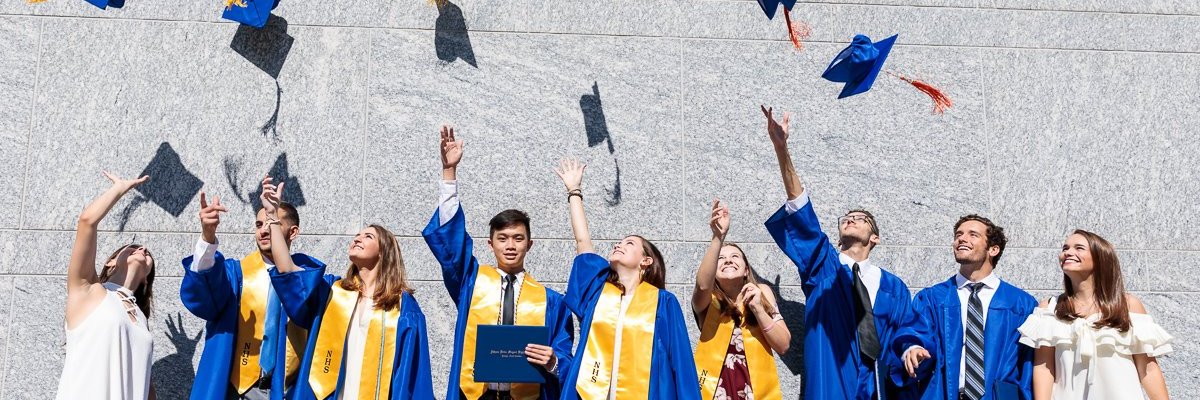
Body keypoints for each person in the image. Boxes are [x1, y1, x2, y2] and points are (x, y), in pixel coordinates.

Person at [760, 106, 913, 400]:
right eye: (846, 217)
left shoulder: (895, 288)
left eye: (861, 218)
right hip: (831, 381)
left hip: (880, 386)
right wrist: (782, 149)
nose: (851, 219)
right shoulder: (824, 268)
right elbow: (800, 209)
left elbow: (907, 338)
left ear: (875, 237)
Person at [421, 125, 575, 400]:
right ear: (490, 244)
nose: (511, 245)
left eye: (518, 238)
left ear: (530, 244)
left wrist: (553, 362)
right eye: (503, 238)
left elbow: (565, 355)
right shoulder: (471, 282)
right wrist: (449, 173)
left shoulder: (551, 302)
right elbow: (452, 245)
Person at [264, 180, 435, 400]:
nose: (357, 238)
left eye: (368, 236)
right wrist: (273, 218)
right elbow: (287, 270)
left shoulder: (402, 306)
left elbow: (414, 374)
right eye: (357, 235)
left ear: (384, 252)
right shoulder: (332, 292)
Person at [554, 158, 701, 400]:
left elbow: (682, 364)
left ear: (646, 261)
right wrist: (574, 192)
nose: (619, 245)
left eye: (629, 243)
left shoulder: (663, 303)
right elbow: (583, 243)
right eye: (619, 242)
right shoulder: (597, 292)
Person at [181, 177, 315, 400]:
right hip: (234, 389)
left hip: (284, 390)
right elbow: (204, 298)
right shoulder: (235, 273)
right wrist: (207, 236)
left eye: (272, 223)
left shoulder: (306, 278)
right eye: (259, 224)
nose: (263, 231)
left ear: (292, 232)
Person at [891, 215, 1037, 400]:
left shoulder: (1020, 304)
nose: (962, 238)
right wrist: (912, 348)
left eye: (972, 234)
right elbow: (916, 331)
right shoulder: (933, 298)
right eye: (958, 234)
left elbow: (1029, 367)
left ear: (993, 249)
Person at [1019, 230, 1173, 400]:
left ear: (1101, 258)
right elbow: (1043, 368)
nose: (1067, 252)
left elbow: (1147, 368)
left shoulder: (1128, 306)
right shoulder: (1049, 308)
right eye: (1065, 248)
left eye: (1079, 248)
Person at [56, 171, 157, 400]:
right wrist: (118, 189)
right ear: (110, 261)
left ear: (146, 278)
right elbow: (87, 222)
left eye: (147, 253)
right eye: (133, 248)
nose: (142, 250)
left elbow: (146, 388)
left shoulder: (141, 322)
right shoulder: (89, 289)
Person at [692, 200, 790, 400]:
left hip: (756, 392)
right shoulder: (708, 300)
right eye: (721, 258)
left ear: (746, 270)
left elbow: (784, 344)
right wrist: (718, 237)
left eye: (735, 256)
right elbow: (702, 284)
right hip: (712, 392)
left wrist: (759, 310)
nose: (728, 260)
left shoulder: (761, 292)